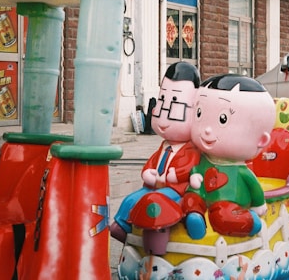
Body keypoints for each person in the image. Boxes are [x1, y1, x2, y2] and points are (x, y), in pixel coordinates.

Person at [110, 62, 201, 242]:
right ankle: (122, 226)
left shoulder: (191, 148)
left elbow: (190, 167)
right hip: (154, 186)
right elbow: (153, 161)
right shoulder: (165, 146)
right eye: (162, 102)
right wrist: (147, 172)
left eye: (175, 107)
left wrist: (173, 176)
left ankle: (153, 235)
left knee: (154, 201)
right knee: (131, 199)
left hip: (175, 190)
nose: (164, 116)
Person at [181, 74, 276, 239]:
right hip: (201, 192)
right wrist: (195, 175)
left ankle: (250, 222)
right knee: (189, 200)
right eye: (199, 114)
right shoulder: (202, 158)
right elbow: (196, 168)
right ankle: (194, 217)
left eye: (222, 119)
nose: (207, 130)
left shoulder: (241, 170)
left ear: (261, 140)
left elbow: (254, 187)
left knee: (222, 216)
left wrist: (259, 203)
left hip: (230, 201)